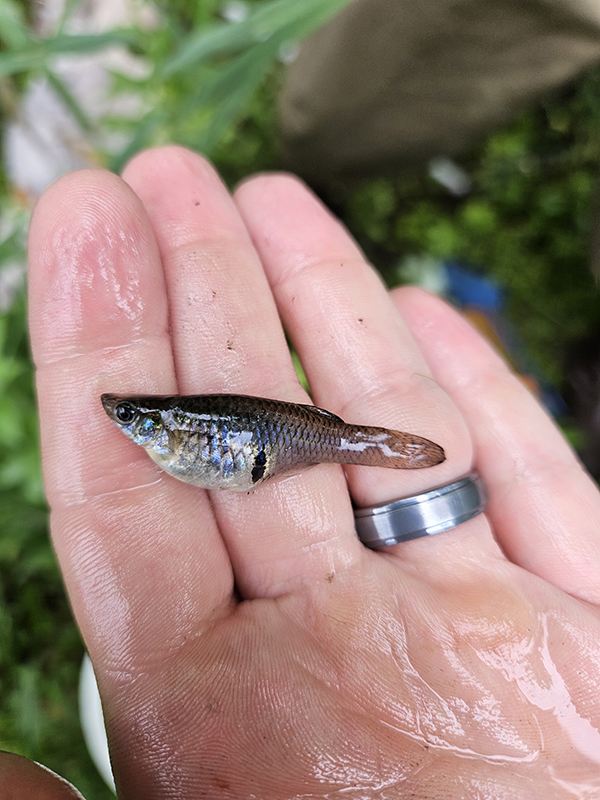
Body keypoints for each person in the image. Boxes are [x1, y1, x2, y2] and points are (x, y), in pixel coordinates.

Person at [10, 145, 600, 797]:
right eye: (130, 415)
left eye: (131, 416)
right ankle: (370, 445)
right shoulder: (171, 430)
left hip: (272, 443)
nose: (123, 420)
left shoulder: (175, 428)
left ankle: (375, 446)